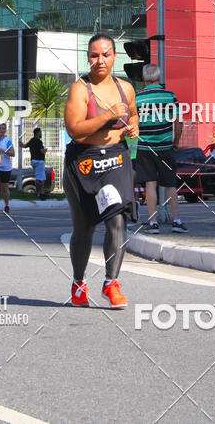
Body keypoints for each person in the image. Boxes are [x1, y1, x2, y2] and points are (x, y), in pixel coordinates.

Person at [63, 33, 139, 309]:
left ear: (115, 56)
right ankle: (79, 282)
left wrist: (133, 128)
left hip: (116, 160)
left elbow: (132, 115)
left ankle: (111, 282)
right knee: (84, 229)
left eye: (105, 54)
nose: (100, 61)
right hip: (83, 162)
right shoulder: (80, 90)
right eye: (94, 55)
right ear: (88, 58)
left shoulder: (126, 88)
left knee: (117, 218)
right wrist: (107, 116)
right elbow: (74, 129)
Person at [134, 64, 186, 234]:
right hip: (165, 147)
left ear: (143, 79)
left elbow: (133, 123)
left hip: (145, 148)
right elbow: (178, 122)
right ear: (159, 78)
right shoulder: (169, 96)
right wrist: (176, 141)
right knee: (170, 184)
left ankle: (153, 222)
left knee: (150, 184)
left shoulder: (137, 98)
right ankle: (177, 221)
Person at [0, 122, 15, 213]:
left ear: (5, 130)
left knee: (4, 188)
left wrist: (3, 150)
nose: (1, 130)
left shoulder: (7, 141)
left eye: (3, 128)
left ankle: (7, 205)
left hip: (6, 167)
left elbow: (13, 153)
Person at [20, 126, 47, 199]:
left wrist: (20, 143)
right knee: (41, 178)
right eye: (40, 132)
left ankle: (38, 193)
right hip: (39, 161)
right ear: (38, 133)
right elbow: (42, 151)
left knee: (38, 177)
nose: (41, 133)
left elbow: (24, 146)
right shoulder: (39, 141)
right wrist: (45, 150)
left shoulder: (32, 140)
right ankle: (41, 193)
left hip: (33, 161)